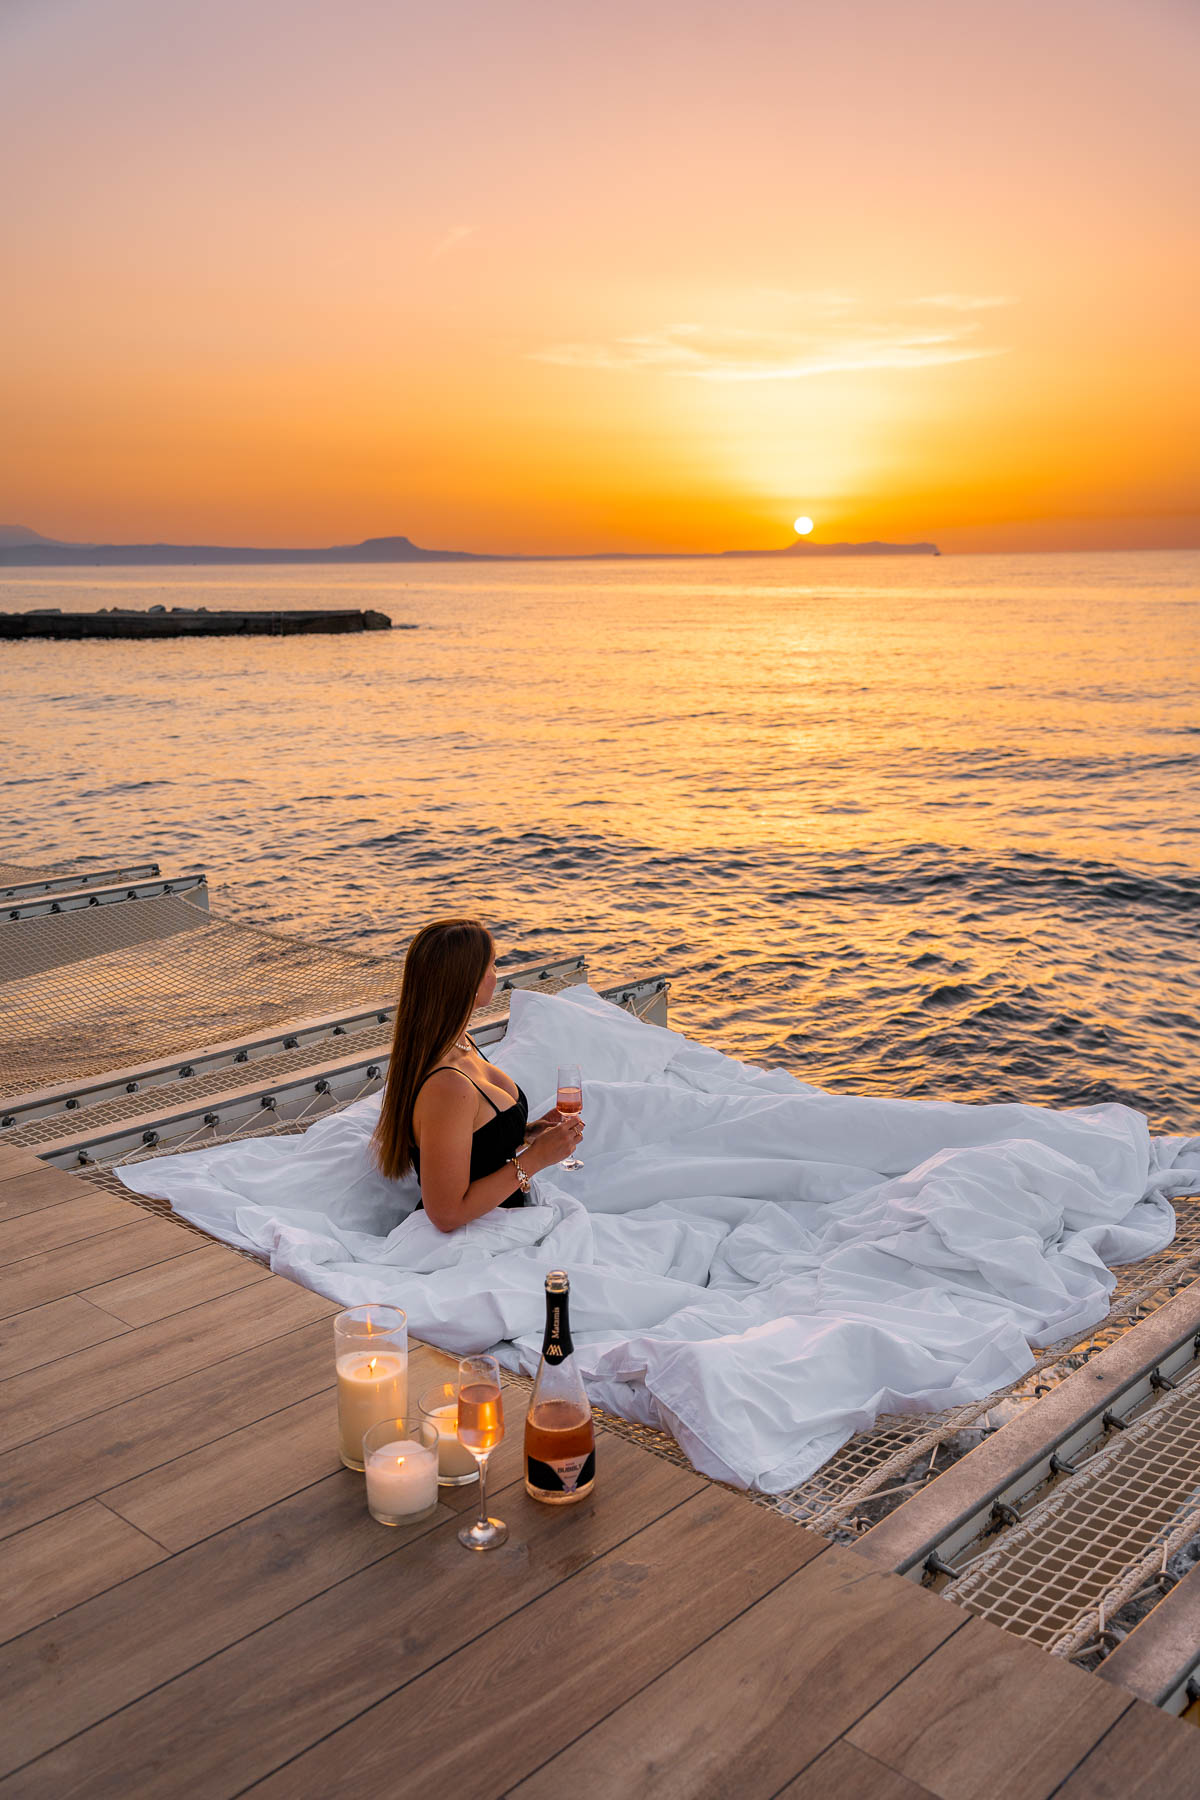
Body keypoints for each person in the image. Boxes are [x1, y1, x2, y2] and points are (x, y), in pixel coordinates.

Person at [372, 918, 584, 1232]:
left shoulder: (458, 1041)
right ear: (469, 981)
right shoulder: (446, 1084)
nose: (496, 974)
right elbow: (446, 1214)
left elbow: (471, 1137)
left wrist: (526, 1132)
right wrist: (536, 1158)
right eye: (493, 964)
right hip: (477, 1237)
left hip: (505, 1216)